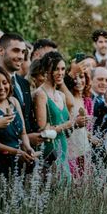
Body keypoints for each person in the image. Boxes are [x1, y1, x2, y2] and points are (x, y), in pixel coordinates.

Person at [33, 52, 84, 180]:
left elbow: (67, 128)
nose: (60, 73)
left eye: (62, 69)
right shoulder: (40, 94)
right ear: (46, 70)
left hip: (63, 148)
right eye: (56, 69)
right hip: (49, 150)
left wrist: (77, 123)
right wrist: (68, 124)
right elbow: (42, 130)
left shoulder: (61, 95)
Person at [0, 33, 42, 147]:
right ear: (1, 51)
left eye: (23, 52)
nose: (21, 56)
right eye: (16, 51)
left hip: (26, 154)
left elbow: (27, 117)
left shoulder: (24, 83)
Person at [0, 66, 36, 175]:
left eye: (4, 82)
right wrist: (16, 152)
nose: (1, 87)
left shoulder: (14, 101)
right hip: (0, 163)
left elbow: (23, 132)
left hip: (20, 160)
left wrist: (28, 147)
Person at [64, 61, 94, 178]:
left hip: (84, 148)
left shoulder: (88, 101)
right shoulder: (67, 99)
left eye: (81, 77)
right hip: (70, 148)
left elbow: (87, 129)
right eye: (75, 77)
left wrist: (92, 137)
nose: (78, 81)